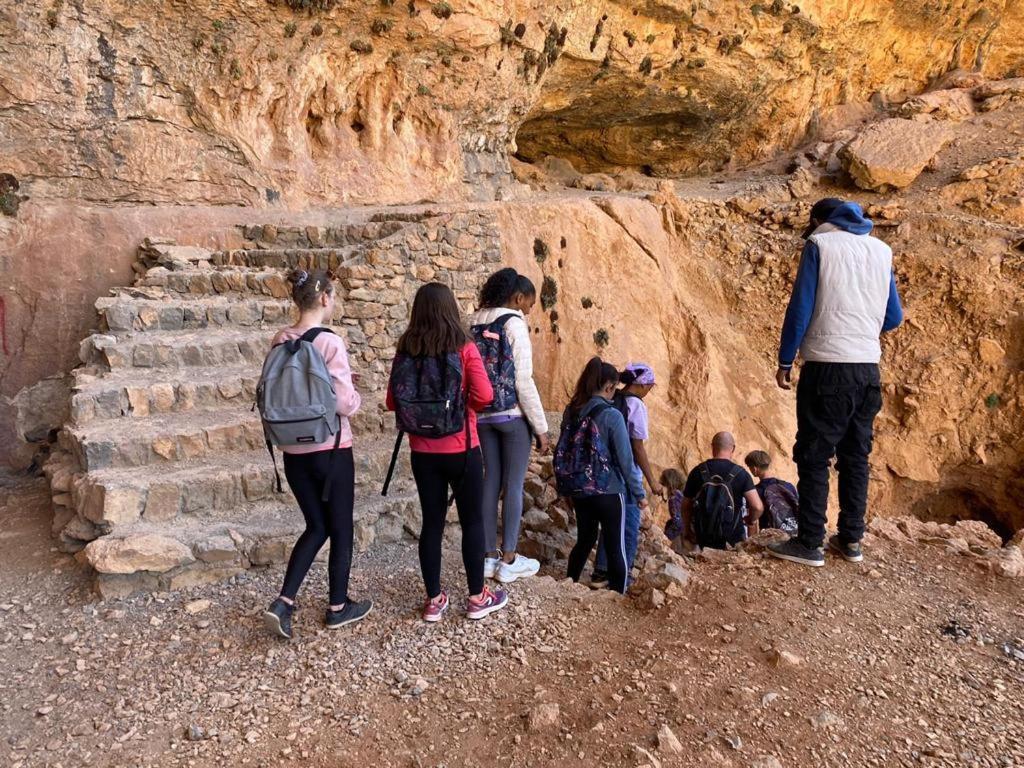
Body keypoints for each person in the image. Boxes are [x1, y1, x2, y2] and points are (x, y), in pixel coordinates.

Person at [770, 198, 903, 567]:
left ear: (818, 220)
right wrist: (861, 329)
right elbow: (893, 316)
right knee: (855, 456)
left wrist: (786, 358)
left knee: (814, 455)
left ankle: (810, 542)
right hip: (867, 369)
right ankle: (851, 540)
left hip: (827, 367)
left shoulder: (819, 245)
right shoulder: (881, 250)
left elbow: (801, 307)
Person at [386, 282, 509, 622]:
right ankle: (476, 598)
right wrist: (461, 408)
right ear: (450, 309)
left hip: (422, 453)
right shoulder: (464, 347)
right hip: (462, 447)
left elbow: (391, 401)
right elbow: (484, 395)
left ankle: (434, 601)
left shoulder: (406, 348)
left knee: (432, 524)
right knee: (472, 523)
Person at [263, 269, 372, 640]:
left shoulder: (280, 339)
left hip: (292, 449)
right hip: (331, 448)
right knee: (340, 528)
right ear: (324, 298)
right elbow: (343, 403)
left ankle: (284, 602)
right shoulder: (329, 342)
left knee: (316, 525)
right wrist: (356, 397)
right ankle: (338, 607)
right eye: (334, 295)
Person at [468, 268, 550, 584]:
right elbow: (522, 380)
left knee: (490, 482)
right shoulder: (513, 322)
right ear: (517, 298)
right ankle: (510, 559)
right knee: (513, 485)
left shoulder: (473, 320)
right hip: (512, 415)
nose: (528, 311)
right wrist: (541, 427)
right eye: (528, 304)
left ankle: (488, 557)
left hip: (482, 414)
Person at [557, 357, 648, 594]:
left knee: (585, 540)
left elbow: (563, 450)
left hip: (580, 489)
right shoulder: (612, 415)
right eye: (614, 388)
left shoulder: (572, 411)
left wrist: (565, 488)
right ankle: (618, 596)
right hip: (609, 490)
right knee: (615, 545)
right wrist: (639, 493)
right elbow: (626, 461)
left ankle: (569, 584)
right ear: (609, 387)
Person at [592, 363, 661, 587]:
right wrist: (650, 482)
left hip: (604, 472)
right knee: (630, 526)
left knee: (610, 523)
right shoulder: (636, 406)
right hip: (626, 473)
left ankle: (601, 572)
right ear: (642, 384)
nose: (650, 389)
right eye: (650, 385)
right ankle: (623, 576)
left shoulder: (612, 398)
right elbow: (637, 447)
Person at [679, 432, 763, 550]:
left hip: (703, 537)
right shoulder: (741, 474)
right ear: (733, 448)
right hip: (732, 539)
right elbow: (757, 506)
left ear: (712, 446)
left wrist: (687, 529)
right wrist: (751, 519)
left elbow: (686, 505)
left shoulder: (697, 471)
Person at [744, 450, 799, 534]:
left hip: (770, 537)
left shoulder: (755, 491)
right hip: (792, 534)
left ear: (754, 469)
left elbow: (753, 523)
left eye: (749, 467)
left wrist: (750, 544)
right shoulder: (788, 486)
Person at [661, 467, 688, 547]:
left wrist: (664, 538)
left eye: (663, 484)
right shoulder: (683, 495)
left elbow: (678, 523)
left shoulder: (675, 497)